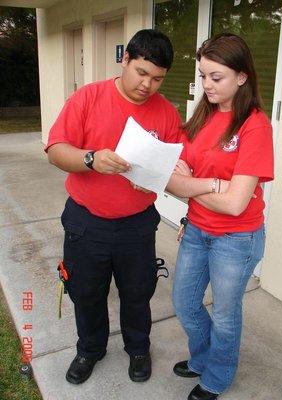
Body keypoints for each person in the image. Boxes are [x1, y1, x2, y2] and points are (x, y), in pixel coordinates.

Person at [45, 29, 181, 385]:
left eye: (157, 79)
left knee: (138, 292)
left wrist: (156, 177)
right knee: (86, 292)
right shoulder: (88, 97)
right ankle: (90, 349)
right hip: (86, 223)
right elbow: (56, 150)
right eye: (141, 73)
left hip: (137, 225)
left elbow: (176, 166)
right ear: (125, 60)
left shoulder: (166, 113)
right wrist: (90, 158)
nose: (147, 85)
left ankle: (138, 348)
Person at [166, 33, 274, 400]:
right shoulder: (202, 116)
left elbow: (235, 205)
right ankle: (202, 357)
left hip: (236, 239)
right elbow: (172, 181)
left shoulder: (254, 125)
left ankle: (217, 375)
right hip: (196, 229)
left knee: (226, 315)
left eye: (216, 77)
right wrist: (211, 185)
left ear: (242, 77)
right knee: (184, 302)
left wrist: (191, 185)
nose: (206, 85)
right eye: (203, 75)